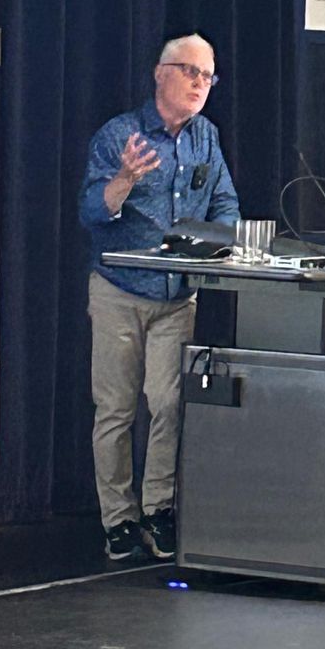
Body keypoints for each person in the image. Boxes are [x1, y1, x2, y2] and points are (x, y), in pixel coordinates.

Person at [79, 33, 239, 561]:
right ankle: (118, 520)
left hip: (177, 298)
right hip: (120, 293)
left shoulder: (205, 139)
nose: (200, 85)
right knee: (117, 409)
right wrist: (124, 178)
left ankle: (159, 510)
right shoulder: (119, 135)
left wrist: (222, 243)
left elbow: (225, 205)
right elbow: (91, 212)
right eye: (191, 72)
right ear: (161, 74)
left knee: (169, 405)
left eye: (208, 77)